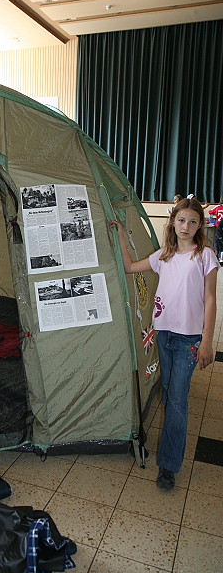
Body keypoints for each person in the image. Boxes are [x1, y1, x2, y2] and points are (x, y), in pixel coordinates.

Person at [111, 197, 219, 491]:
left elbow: (211, 299)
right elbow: (130, 266)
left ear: (200, 226)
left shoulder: (205, 256)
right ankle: (172, 443)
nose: (186, 226)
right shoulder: (163, 256)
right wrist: (121, 235)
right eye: (181, 220)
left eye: (193, 222)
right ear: (173, 222)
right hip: (164, 334)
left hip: (189, 340)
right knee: (170, 393)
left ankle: (169, 466)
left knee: (177, 400)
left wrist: (207, 341)